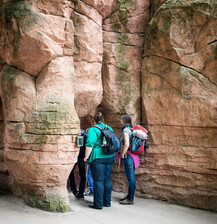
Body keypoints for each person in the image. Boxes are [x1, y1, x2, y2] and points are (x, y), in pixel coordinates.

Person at [84, 112, 115, 209]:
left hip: (98, 157)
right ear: (103, 119)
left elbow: (90, 143)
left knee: (98, 180)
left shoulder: (93, 129)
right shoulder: (109, 128)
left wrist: (86, 157)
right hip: (109, 156)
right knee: (107, 179)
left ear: (94, 120)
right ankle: (107, 202)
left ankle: (98, 204)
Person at [119, 114, 140, 205]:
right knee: (131, 178)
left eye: (121, 119)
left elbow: (126, 144)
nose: (120, 120)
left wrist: (123, 154)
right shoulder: (131, 129)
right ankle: (129, 195)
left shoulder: (126, 130)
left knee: (130, 178)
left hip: (128, 157)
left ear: (124, 120)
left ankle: (130, 199)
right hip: (133, 156)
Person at [69, 129, 87, 199]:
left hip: (73, 156)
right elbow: (86, 143)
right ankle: (81, 193)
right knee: (82, 174)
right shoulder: (83, 133)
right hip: (81, 156)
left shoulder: (71, 132)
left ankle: (73, 189)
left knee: (70, 172)